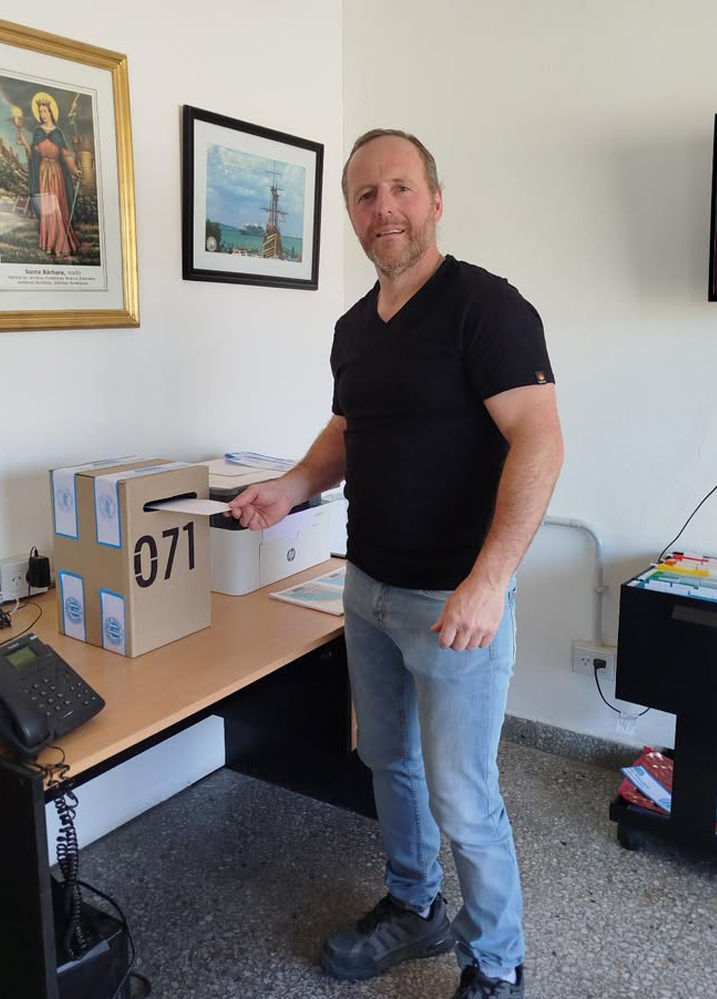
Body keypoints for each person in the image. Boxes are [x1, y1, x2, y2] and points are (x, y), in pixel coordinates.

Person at [228, 129, 564, 999]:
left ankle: (497, 962)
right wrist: (292, 485)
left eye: (402, 188)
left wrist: (490, 581)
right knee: (388, 761)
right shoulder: (353, 328)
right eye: (366, 195)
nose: (385, 209)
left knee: (464, 797)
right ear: (351, 213)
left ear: (436, 200)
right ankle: (416, 906)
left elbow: (539, 439)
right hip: (368, 588)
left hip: (456, 602)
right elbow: (350, 430)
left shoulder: (487, 308)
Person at [17, 93, 81, 259]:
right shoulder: (38, 132)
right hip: (43, 173)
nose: (42, 114)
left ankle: (60, 243)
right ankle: (49, 243)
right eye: (40, 112)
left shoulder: (58, 133)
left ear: (51, 112)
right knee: (47, 207)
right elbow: (33, 154)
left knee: (57, 207)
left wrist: (74, 170)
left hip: (56, 173)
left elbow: (66, 155)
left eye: (45, 111)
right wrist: (25, 143)